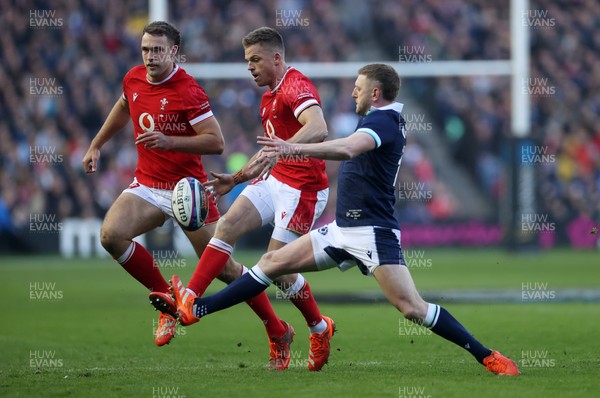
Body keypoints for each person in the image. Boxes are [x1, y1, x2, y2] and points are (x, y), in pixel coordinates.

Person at [154, 63, 520, 376]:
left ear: (375, 92)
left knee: (412, 308)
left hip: (373, 234)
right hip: (342, 230)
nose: (352, 95)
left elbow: (346, 148)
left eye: (358, 89)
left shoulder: (386, 121)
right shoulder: (377, 118)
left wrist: (292, 147)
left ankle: (486, 355)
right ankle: (196, 309)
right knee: (272, 263)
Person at [82, 22, 299, 370]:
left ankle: (277, 330)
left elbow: (216, 142)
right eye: (146, 49)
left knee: (226, 270)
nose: (151, 56)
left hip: (189, 193)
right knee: (111, 235)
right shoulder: (134, 78)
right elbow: (124, 107)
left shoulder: (188, 90)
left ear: (174, 52)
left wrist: (171, 142)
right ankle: (167, 300)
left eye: (158, 50)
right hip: (149, 185)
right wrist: (96, 145)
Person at [150, 27, 335, 371]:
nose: (249, 67)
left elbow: (318, 126)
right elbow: (269, 156)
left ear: (276, 58)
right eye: (246, 60)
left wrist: (287, 146)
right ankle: (190, 298)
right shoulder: (268, 97)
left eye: (255, 59)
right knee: (227, 226)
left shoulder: (296, 85)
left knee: (276, 268)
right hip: (276, 180)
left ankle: (320, 328)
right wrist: (234, 180)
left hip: (303, 189)